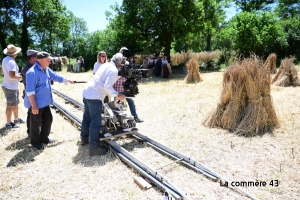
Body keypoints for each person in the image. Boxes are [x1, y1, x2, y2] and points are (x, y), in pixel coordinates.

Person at [24, 51, 74, 150]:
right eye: (48, 60)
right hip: (36, 103)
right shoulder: (32, 72)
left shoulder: (45, 69)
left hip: (45, 102)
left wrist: (67, 80)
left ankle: (44, 138)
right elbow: (30, 91)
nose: (50, 62)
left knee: (48, 120)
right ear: (41, 60)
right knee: (35, 123)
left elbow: (55, 76)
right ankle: (35, 142)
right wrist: (34, 105)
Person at [80, 53, 126, 156]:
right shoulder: (113, 70)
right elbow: (107, 87)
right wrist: (117, 95)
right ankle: (93, 148)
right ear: (119, 62)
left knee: (87, 118)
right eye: (122, 63)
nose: (123, 65)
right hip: (94, 96)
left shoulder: (106, 65)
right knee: (95, 122)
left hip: (87, 92)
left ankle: (84, 139)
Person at [1, 44, 24, 128]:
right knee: (10, 105)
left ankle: (16, 118)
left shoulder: (5, 59)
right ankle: (8, 123)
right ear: (14, 54)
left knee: (15, 103)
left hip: (11, 85)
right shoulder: (11, 62)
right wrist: (22, 76)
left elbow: (2, 72)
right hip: (10, 86)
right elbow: (12, 75)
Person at [21, 49, 39, 135]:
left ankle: (33, 131)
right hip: (31, 94)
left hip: (34, 93)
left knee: (34, 114)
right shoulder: (27, 69)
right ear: (32, 58)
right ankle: (31, 132)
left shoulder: (32, 67)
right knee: (31, 114)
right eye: (37, 57)